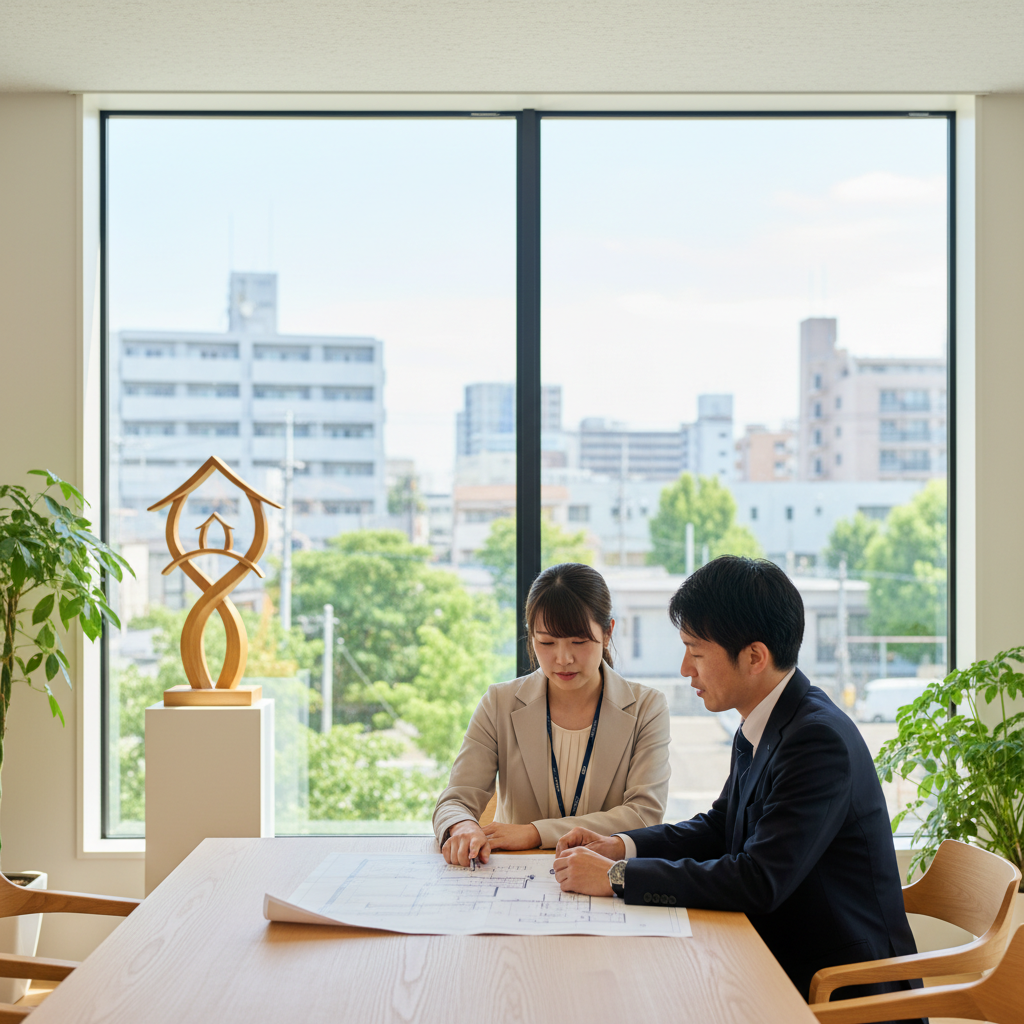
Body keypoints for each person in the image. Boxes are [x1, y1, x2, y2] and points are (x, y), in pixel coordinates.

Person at [552, 556, 922, 1015]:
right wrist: (621, 847)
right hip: (778, 958)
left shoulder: (816, 741)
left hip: (838, 989)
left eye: (696, 652)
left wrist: (616, 879)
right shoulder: (766, 718)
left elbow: (758, 879)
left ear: (754, 657)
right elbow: (720, 826)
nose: (687, 669)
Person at [434, 562, 671, 865]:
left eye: (578, 641)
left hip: (603, 882)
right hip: (513, 881)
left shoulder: (646, 708)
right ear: (530, 635)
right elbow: (456, 799)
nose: (563, 658)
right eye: (546, 642)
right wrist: (463, 825)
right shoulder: (500, 702)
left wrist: (535, 833)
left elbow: (643, 816)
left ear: (608, 632)